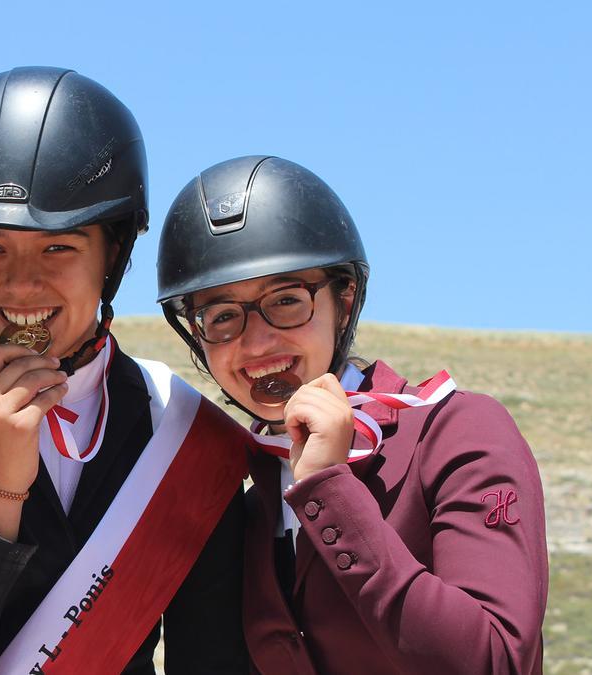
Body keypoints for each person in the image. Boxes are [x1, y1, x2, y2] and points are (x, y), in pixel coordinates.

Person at [0, 67, 250, 675]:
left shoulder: (180, 433)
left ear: (112, 253)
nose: (21, 284)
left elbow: (213, 659)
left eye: (58, 247)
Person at [156, 155, 548, 674]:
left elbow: (496, 662)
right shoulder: (247, 506)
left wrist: (329, 491)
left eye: (287, 300)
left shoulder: (459, 433)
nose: (256, 342)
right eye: (222, 316)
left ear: (345, 299)